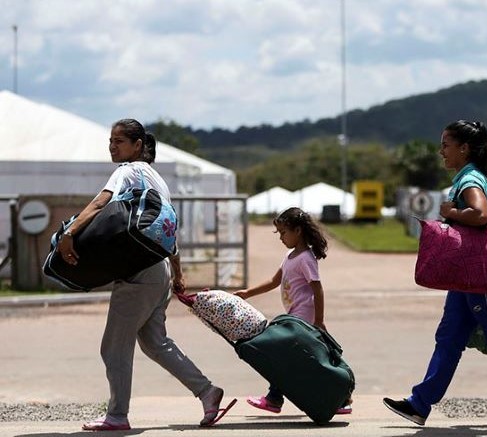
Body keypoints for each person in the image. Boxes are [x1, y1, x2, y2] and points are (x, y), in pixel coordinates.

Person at [57, 119, 235, 431]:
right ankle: (207, 392)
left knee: (113, 346)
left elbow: (100, 203)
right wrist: (177, 272)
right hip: (159, 270)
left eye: (119, 141)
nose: (113, 147)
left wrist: (69, 233)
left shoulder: (127, 171)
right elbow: (167, 230)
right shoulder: (158, 180)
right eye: (110, 141)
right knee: (155, 343)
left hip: (138, 272)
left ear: (138, 146)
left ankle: (117, 416)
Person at [383, 120, 487, 431]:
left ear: (463, 148)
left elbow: (479, 215)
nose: (441, 151)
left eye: (446, 144)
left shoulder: (469, 179)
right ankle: (420, 404)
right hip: (466, 274)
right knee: (449, 337)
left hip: (481, 273)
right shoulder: (469, 177)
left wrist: (450, 213)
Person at [234, 206, 352, 415]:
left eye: (283, 233)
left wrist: (319, 320)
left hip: (303, 318)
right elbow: (274, 281)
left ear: (298, 231)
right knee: (301, 360)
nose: (281, 238)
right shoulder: (290, 256)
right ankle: (341, 400)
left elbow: (318, 288)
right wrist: (248, 293)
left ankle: (274, 398)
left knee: (283, 355)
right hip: (294, 317)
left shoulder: (306, 258)